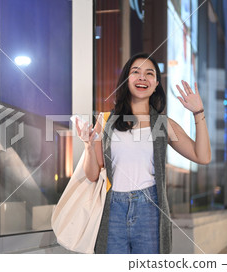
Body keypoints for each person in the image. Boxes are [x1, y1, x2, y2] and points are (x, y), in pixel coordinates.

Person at [75, 53, 211, 254]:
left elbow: (203, 156)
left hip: (150, 210)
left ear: (156, 84)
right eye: (135, 72)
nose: (142, 77)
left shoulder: (163, 124)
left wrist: (198, 112)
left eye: (149, 74)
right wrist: (88, 146)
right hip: (113, 211)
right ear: (126, 80)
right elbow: (93, 174)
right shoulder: (105, 121)